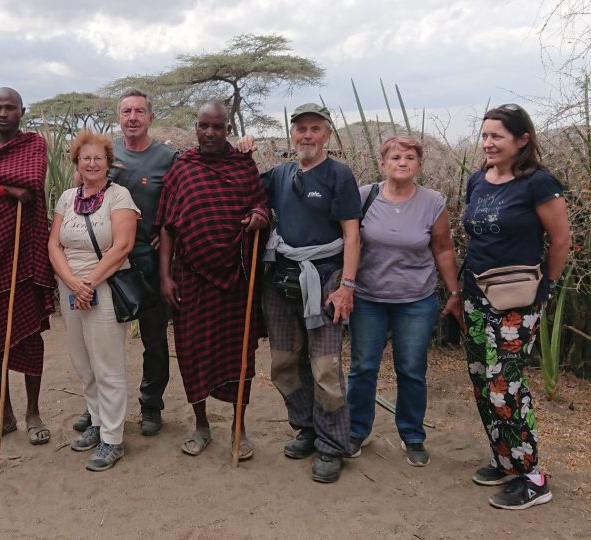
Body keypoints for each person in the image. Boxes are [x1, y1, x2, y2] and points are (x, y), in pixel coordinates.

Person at [462, 104, 571, 509]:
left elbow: (561, 240)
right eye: (485, 135)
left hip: (517, 300)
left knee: (504, 383)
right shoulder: (479, 180)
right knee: (479, 378)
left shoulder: (538, 184)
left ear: (522, 140)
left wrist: (546, 288)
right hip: (475, 293)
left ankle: (533, 476)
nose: (488, 143)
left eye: (497, 136)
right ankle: (506, 458)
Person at [156, 101, 269, 461]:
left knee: (239, 355)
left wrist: (257, 217)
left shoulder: (242, 165)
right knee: (192, 352)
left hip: (236, 279)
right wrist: (165, 277)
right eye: (203, 126)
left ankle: (239, 427)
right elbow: (167, 227)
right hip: (189, 277)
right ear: (196, 126)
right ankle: (201, 425)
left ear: (228, 128)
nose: (208, 133)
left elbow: (262, 205)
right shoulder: (182, 169)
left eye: (217, 127)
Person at [346, 136, 464, 466]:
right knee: (363, 367)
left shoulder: (432, 202)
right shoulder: (364, 196)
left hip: (415, 300)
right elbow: (349, 241)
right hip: (369, 297)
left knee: (411, 369)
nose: (402, 161)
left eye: (410, 157)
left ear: (419, 165)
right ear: (382, 164)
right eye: (395, 157)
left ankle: (412, 435)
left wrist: (454, 292)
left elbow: (442, 247)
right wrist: (346, 285)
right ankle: (357, 430)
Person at [261, 103, 361, 483]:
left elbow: (352, 234)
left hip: (326, 277)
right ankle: (306, 427)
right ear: (292, 133)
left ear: (327, 134)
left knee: (325, 368)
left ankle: (332, 444)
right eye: (300, 128)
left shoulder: (339, 175)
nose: (306, 135)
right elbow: (247, 190)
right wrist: (241, 151)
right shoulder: (281, 174)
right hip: (282, 277)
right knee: (285, 364)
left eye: (314, 128)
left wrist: (346, 287)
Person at [72, 89, 178, 437]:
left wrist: (166, 229)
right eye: (126, 111)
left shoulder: (167, 157)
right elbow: (82, 193)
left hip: (147, 262)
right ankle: (99, 409)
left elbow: (179, 200)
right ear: (119, 117)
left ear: (151, 116)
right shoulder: (105, 153)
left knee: (154, 340)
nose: (132, 117)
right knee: (100, 344)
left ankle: (151, 405)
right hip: (103, 266)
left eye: (139, 111)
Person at [48, 130, 139, 471]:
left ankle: (113, 439)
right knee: (83, 363)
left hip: (103, 286)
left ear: (108, 162)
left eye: (98, 157)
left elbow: (122, 246)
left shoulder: (120, 196)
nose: (91, 163)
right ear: (76, 162)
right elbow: (54, 244)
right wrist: (72, 282)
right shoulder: (67, 198)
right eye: (85, 158)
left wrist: (88, 284)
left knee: (107, 365)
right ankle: (98, 423)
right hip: (72, 288)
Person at [0, 87, 56, 446]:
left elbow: (31, 182)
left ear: (21, 111)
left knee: (29, 335)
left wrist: (7, 187)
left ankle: (33, 412)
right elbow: (17, 187)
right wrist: (5, 191)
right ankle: (5, 413)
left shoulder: (33, 145)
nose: (3, 113)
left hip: (23, 256)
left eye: (9, 108)